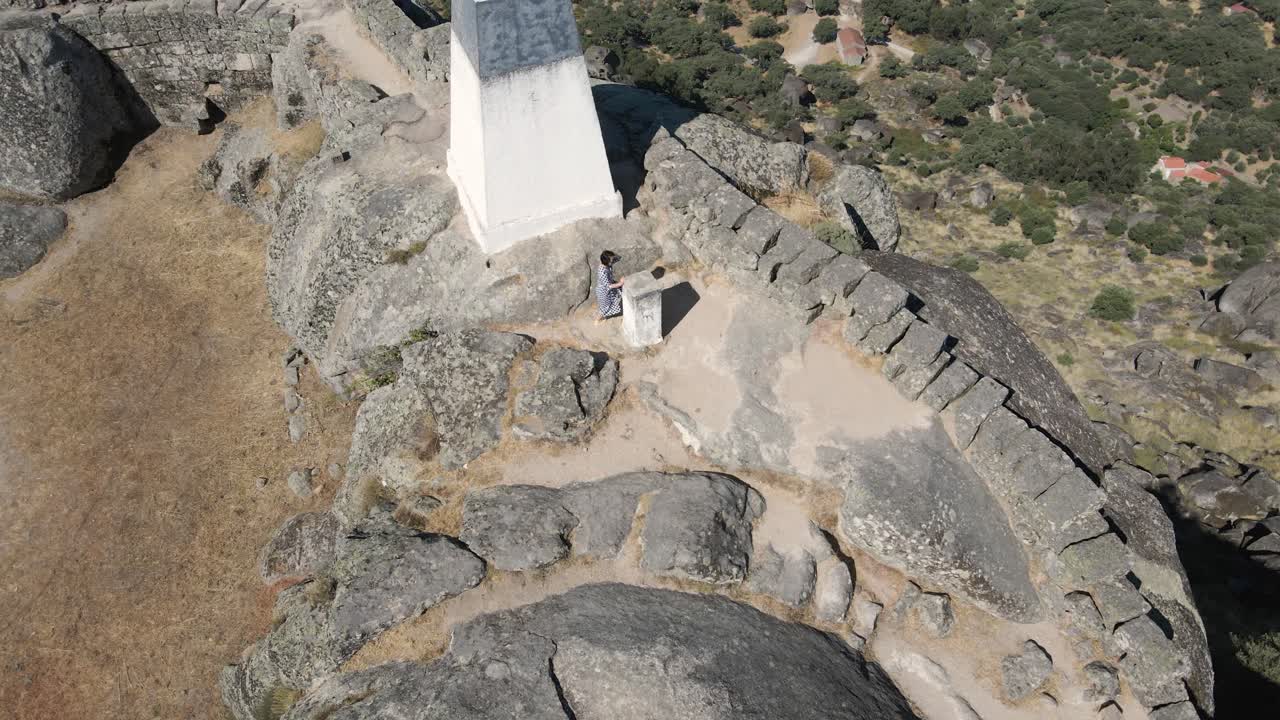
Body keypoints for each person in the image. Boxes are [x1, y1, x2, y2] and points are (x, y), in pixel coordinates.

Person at [595, 250, 625, 321]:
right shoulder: (602, 272)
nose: (613, 261)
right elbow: (608, 286)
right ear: (606, 261)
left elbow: (618, 258)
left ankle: (604, 317)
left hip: (609, 289)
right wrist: (620, 283)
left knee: (614, 300)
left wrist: (614, 256)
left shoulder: (607, 264)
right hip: (604, 292)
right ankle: (597, 320)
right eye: (611, 260)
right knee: (604, 308)